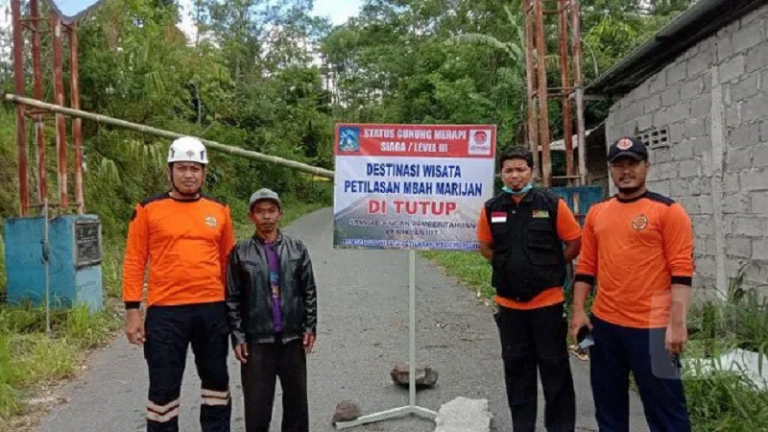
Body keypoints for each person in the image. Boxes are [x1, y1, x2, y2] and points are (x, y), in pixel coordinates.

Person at [570, 136, 694, 431]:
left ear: (646, 166)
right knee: (608, 409)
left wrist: (677, 323)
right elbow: (586, 266)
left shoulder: (668, 211)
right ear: (611, 169)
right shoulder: (598, 212)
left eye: (633, 163)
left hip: (654, 327)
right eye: (619, 165)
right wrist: (578, 311)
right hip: (605, 325)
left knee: (667, 411)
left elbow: (682, 271)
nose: (626, 171)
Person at [122, 136, 235, 432]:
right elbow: (134, 260)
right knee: (163, 386)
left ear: (204, 173)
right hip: (166, 313)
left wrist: (234, 309)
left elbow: (228, 263)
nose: (189, 174)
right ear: (169, 170)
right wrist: (133, 312)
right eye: (182, 168)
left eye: (195, 168)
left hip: (212, 310)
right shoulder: (147, 209)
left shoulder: (219, 210)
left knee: (216, 382)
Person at [476, 146, 582, 432]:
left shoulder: (551, 205)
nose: (515, 176)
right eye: (509, 170)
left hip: (547, 305)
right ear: (502, 173)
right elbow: (486, 247)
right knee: (517, 373)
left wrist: (550, 265)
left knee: (555, 372)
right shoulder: (492, 208)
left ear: (532, 172)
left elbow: (574, 242)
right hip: (510, 309)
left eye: (520, 170)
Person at [225, 188, 318, 432]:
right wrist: (238, 336)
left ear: (280, 214)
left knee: (297, 402)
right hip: (257, 341)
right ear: (251, 216)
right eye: (260, 211)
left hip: (292, 338)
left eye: (271, 211)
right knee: (257, 405)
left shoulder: (297, 248)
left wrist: (309, 326)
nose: (266, 216)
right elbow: (232, 298)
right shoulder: (240, 252)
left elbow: (308, 290)